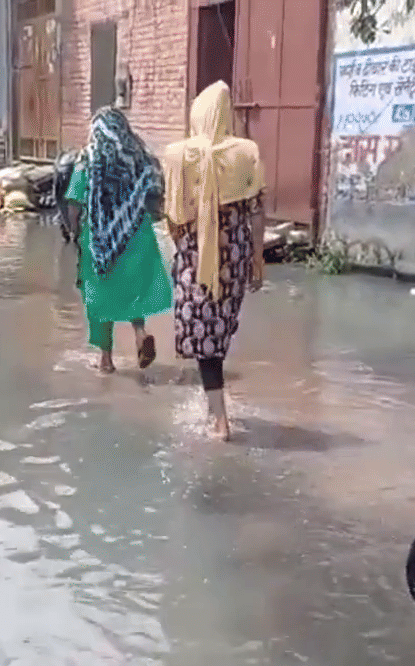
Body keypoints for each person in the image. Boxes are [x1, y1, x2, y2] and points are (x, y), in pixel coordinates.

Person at [161, 80, 267, 442]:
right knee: (218, 330)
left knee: (202, 333)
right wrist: (256, 259)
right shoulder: (245, 154)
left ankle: (219, 420)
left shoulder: (179, 156)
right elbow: (256, 213)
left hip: (195, 256)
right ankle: (215, 410)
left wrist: (185, 246)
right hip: (234, 257)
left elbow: (173, 216)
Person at [63, 106, 172, 376]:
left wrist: (73, 231)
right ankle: (139, 333)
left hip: (99, 239)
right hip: (136, 233)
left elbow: (74, 201)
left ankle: (106, 359)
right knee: (133, 289)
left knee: (100, 297)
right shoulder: (140, 156)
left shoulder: (88, 158)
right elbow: (156, 194)